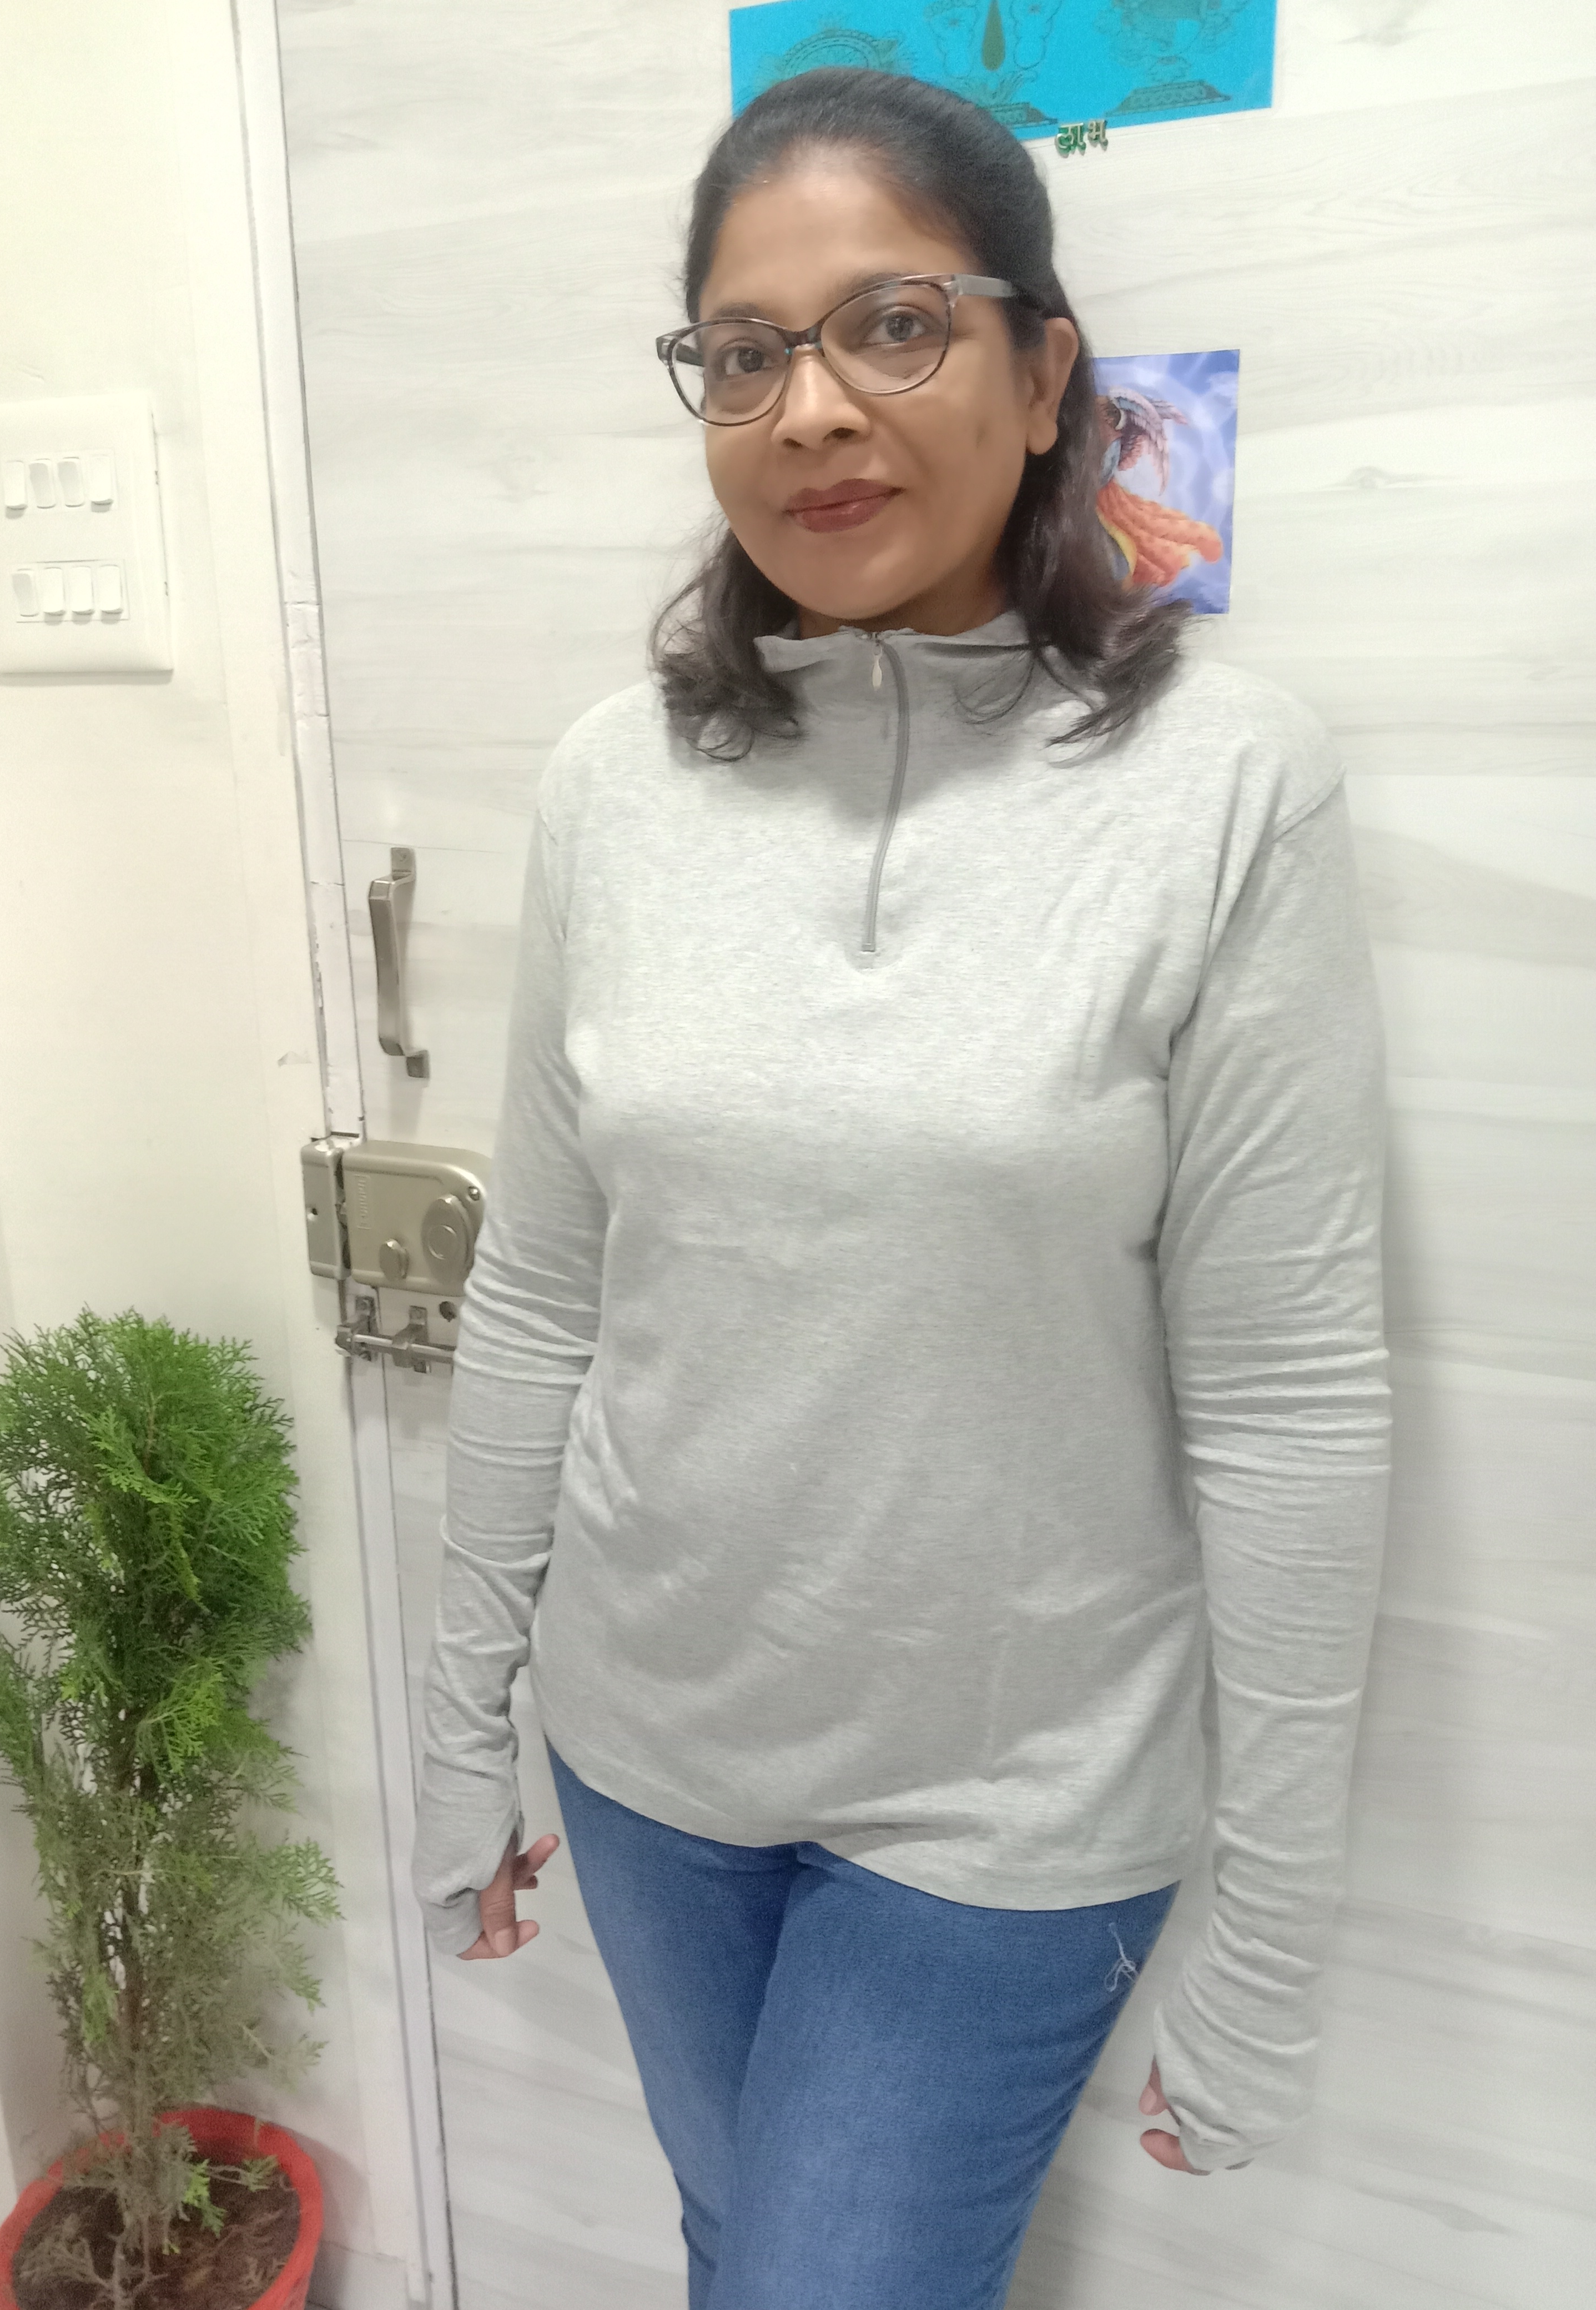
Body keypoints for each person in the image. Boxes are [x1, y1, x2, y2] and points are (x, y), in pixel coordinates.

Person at [412, 65, 1390, 2310]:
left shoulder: (1226, 784)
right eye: (744, 352)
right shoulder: (610, 785)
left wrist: (1269, 1928)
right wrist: (466, 1730)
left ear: (1047, 378)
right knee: (738, 2244)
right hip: (651, 1752)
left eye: (894, 325)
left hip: (1016, 1804)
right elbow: (541, 1293)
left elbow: (1290, 1400)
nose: (815, 410)